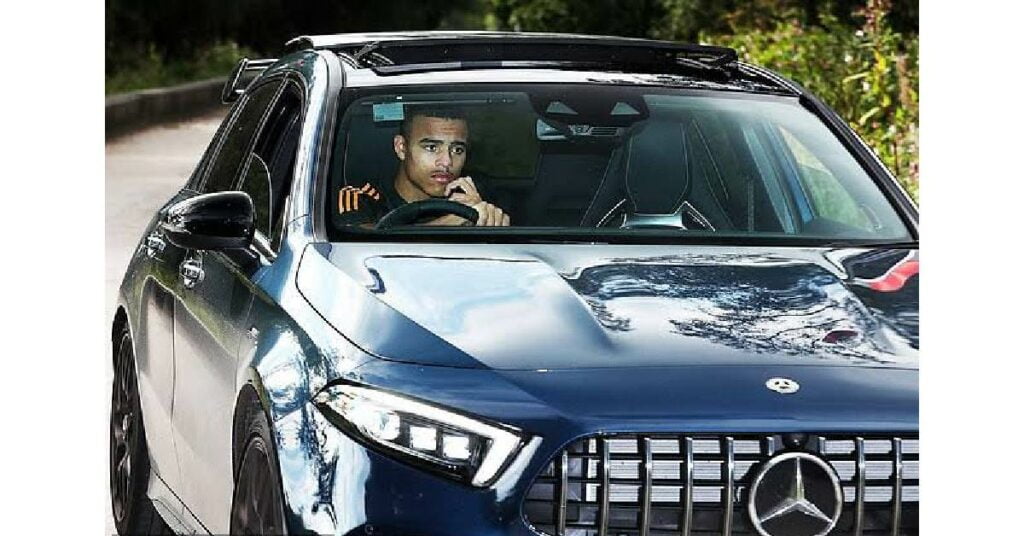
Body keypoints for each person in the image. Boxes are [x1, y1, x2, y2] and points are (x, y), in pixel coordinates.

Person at [336, 107, 510, 227]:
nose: (447, 162)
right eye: (432, 148)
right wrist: (455, 220)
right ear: (401, 148)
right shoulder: (361, 197)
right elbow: (364, 243)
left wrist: (491, 221)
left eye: (457, 149)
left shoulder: (477, 195)